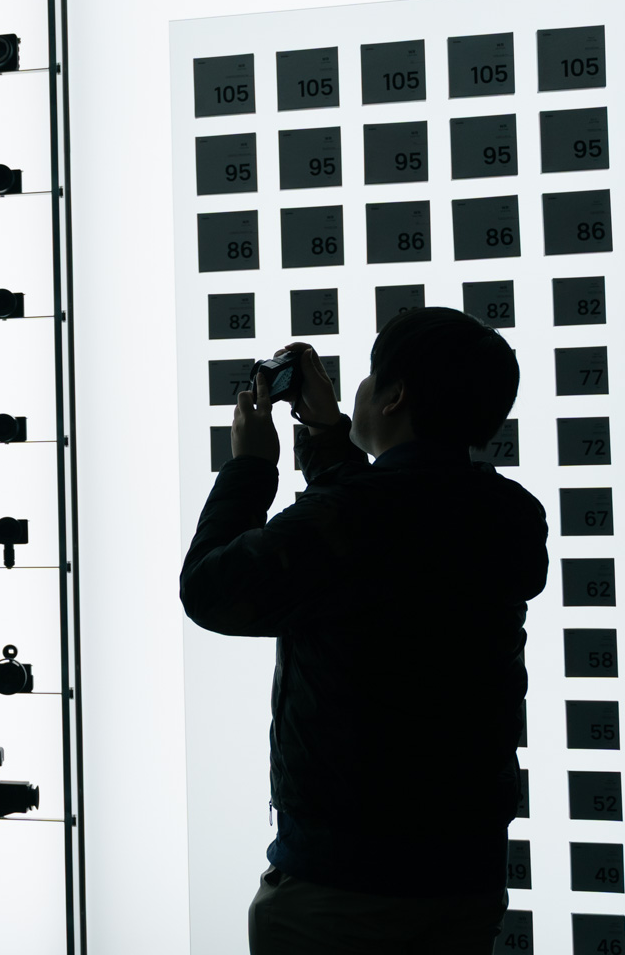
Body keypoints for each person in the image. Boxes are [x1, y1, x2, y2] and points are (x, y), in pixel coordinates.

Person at [181, 307, 547, 952]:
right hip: (464, 879)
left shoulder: (361, 515)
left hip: (342, 891)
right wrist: (327, 433)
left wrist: (251, 468)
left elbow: (212, 592)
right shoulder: (510, 513)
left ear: (395, 395)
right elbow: (389, 526)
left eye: (374, 375)